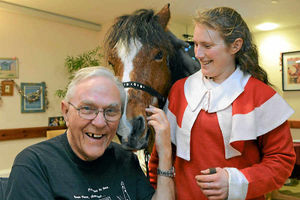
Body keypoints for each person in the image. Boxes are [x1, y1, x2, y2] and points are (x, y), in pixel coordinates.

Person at [149, 7, 296, 200]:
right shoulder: (179, 90)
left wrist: (234, 182)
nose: (198, 54)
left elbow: (281, 163)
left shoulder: (261, 96)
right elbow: (161, 154)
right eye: (195, 44)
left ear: (235, 46)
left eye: (207, 46)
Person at [6, 66, 174, 200]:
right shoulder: (34, 164)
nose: (100, 122)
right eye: (87, 109)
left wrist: (165, 151)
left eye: (111, 111)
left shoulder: (125, 160)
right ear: (66, 112)